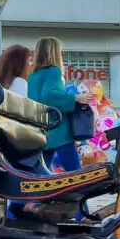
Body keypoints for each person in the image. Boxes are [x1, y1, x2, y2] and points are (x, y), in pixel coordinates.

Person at [28, 37, 94, 172]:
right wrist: (75, 98)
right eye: (61, 51)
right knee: (74, 170)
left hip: (42, 128)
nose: (62, 54)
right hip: (58, 128)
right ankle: (77, 191)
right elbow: (48, 95)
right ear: (55, 52)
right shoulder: (54, 71)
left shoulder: (33, 75)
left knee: (43, 170)